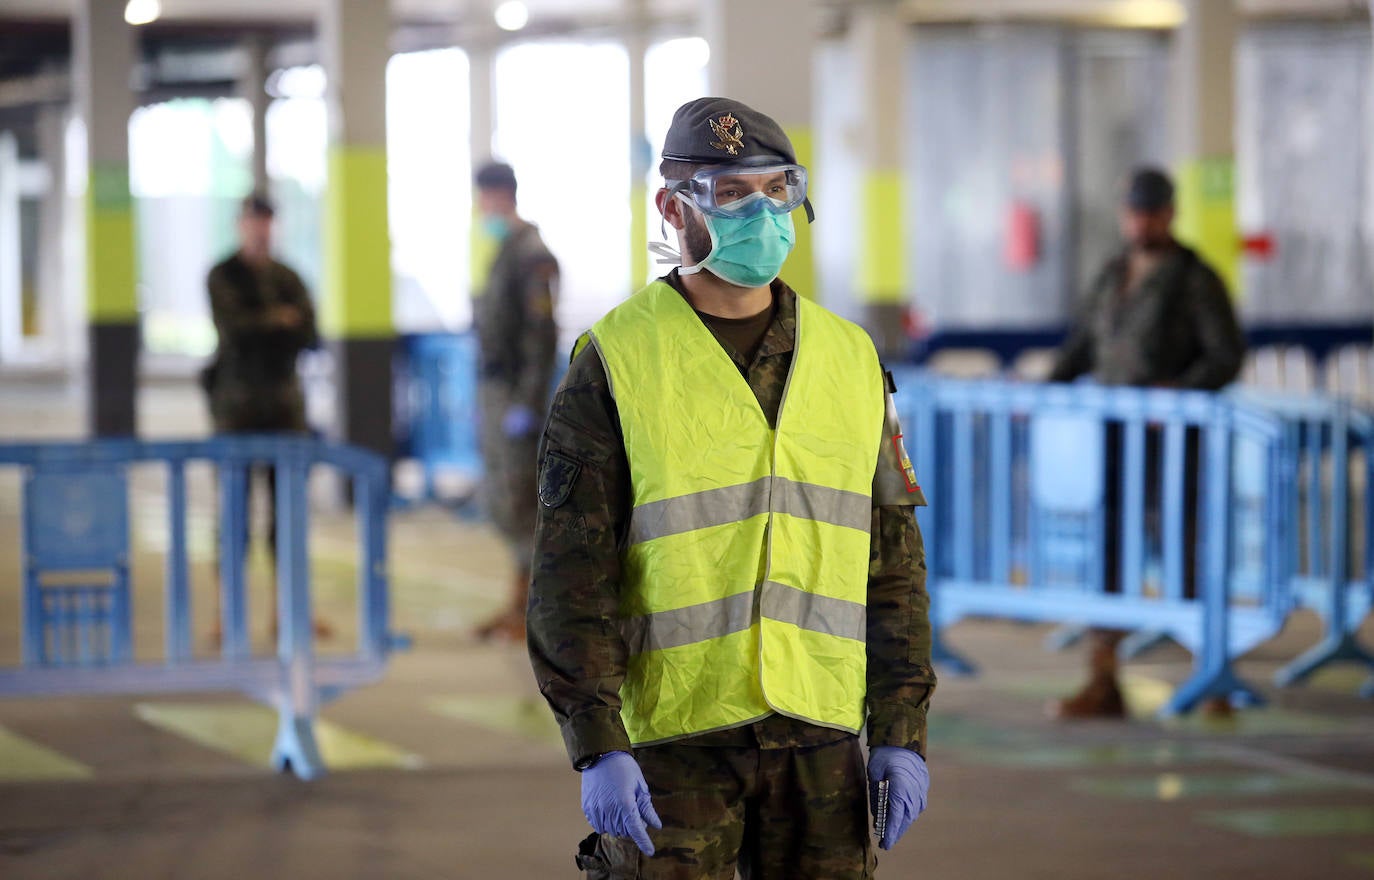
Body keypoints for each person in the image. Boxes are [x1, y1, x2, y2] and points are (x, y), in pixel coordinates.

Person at [527, 97, 936, 879]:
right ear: (672, 208)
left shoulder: (850, 359)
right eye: (732, 194)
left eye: (777, 190)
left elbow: (893, 563)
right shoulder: (615, 359)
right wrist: (596, 740)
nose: (762, 213)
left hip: (819, 736)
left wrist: (900, 728)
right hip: (674, 744)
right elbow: (570, 577)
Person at [1048, 166, 1246, 718]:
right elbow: (1084, 345)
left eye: (1152, 212)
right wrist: (1043, 393)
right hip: (1114, 439)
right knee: (1108, 552)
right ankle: (1103, 681)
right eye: (1135, 212)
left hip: (1171, 447)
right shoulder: (1114, 273)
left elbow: (1224, 356)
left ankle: (1214, 684)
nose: (1142, 222)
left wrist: (1177, 396)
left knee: (1181, 552)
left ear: (1170, 214)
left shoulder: (1195, 279)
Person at [203, 192, 324, 642]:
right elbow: (235, 331)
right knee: (233, 516)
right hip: (236, 410)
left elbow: (311, 333)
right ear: (240, 224)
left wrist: (270, 322)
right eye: (253, 220)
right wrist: (279, 320)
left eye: (267, 221)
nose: (260, 229)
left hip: (283, 410)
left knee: (287, 516)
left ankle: (287, 613)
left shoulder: (289, 276)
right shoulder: (223, 275)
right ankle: (226, 614)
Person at [470, 161, 560, 642]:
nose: (482, 209)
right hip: (497, 394)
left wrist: (527, 401)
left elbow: (539, 336)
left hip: (516, 397)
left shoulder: (531, 255)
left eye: (484, 198)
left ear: (500, 195)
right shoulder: (506, 250)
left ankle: (532, 607)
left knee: (521, 500)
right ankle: (516, 603)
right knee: (503, 499)